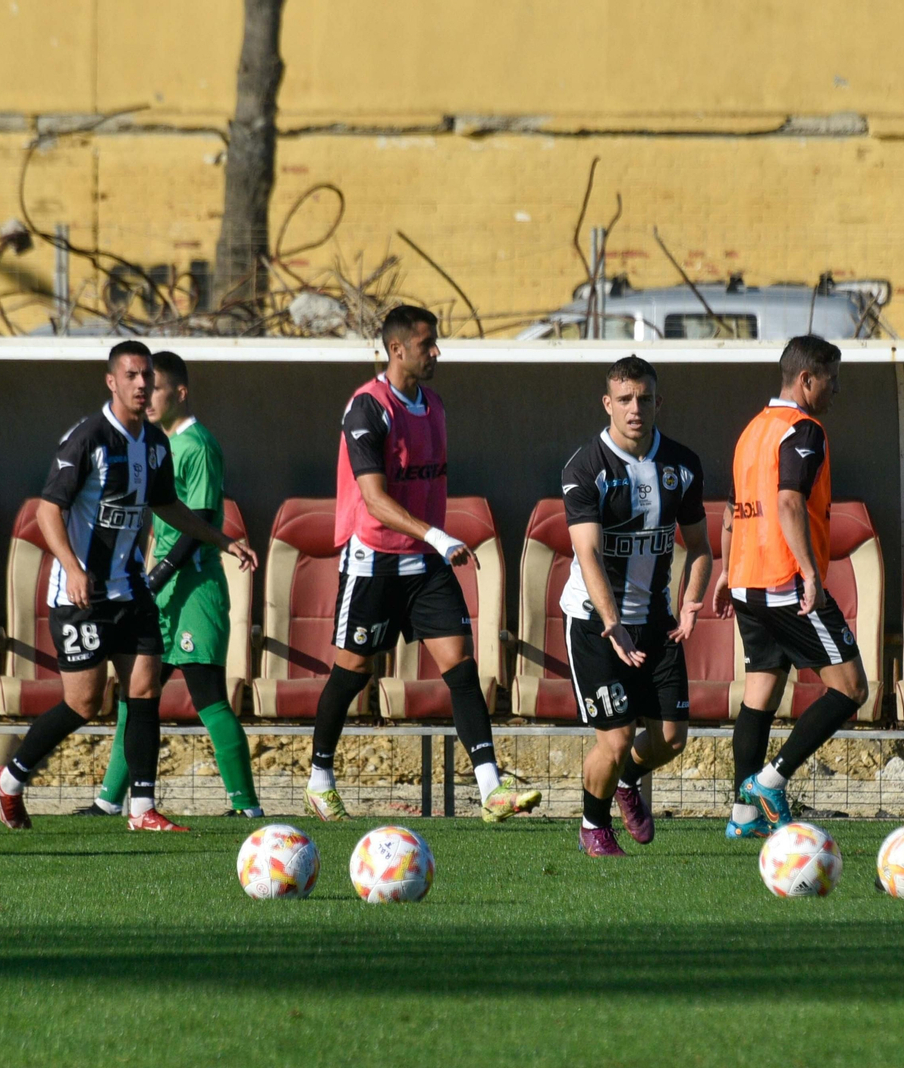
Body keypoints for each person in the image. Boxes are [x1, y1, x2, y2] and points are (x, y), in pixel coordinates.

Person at [0, 340, 258, 831]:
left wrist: (223, 540)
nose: (141, 385)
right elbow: (48, 511)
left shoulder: (155, 443)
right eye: (131, 376)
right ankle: (10, 779)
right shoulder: (88, 437)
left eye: (147, 377)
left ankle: (141, 809)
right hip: (82, 595)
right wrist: (71, 567)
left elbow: (168, 506)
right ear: (112, 381)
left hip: (131, 590)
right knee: (84, 703)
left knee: (145, 688)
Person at [305, 305, 541, 823]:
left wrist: (433, 543)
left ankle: (491, 790)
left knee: (461, 669)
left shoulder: (433, 404)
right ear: (396, 350)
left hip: (425, 565)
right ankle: (320, 777)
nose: (436, 352)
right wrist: (438, 534)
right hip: (374, 564)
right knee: (351, 674)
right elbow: (374, 499)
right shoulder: (368, 408)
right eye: (427, 343)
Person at [81, 350, 262, 818]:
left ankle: (246, 807)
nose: (148, 395)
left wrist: (157, 574)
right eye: (143, 385)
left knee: (208, 697)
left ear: (180, 392)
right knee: (136, 696)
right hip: (158, 594)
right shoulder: (155, 445)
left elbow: (199, 519)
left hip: (193, 591)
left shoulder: (197, 445)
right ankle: (108, 801)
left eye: (157, 387)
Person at [712, 335, 870, 838]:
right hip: (784, 582)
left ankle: (742, 815)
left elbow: (736, 510)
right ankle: (771, 779)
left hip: (746, 582)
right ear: (807, 380)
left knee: (761, 689)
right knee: (851, 688)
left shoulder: (752, 430)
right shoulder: (805, 430)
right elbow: (786, 503)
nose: (835, 390)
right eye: (832, 379)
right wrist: (812, 573)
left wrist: (724, 569)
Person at [560, 356, 712, 856]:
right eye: (624, 399)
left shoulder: (682, 465)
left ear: (657, 402)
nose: (635, 408)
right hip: (595, 623)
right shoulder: (586, 468)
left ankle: (626, 782)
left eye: (644, 398)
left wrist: (691, 604)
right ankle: (592, 825)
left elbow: (701, 548)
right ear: (608, 404)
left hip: (656, 622)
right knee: (618, 737)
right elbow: (587, 553)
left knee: (671, 739)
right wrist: (613, 622)